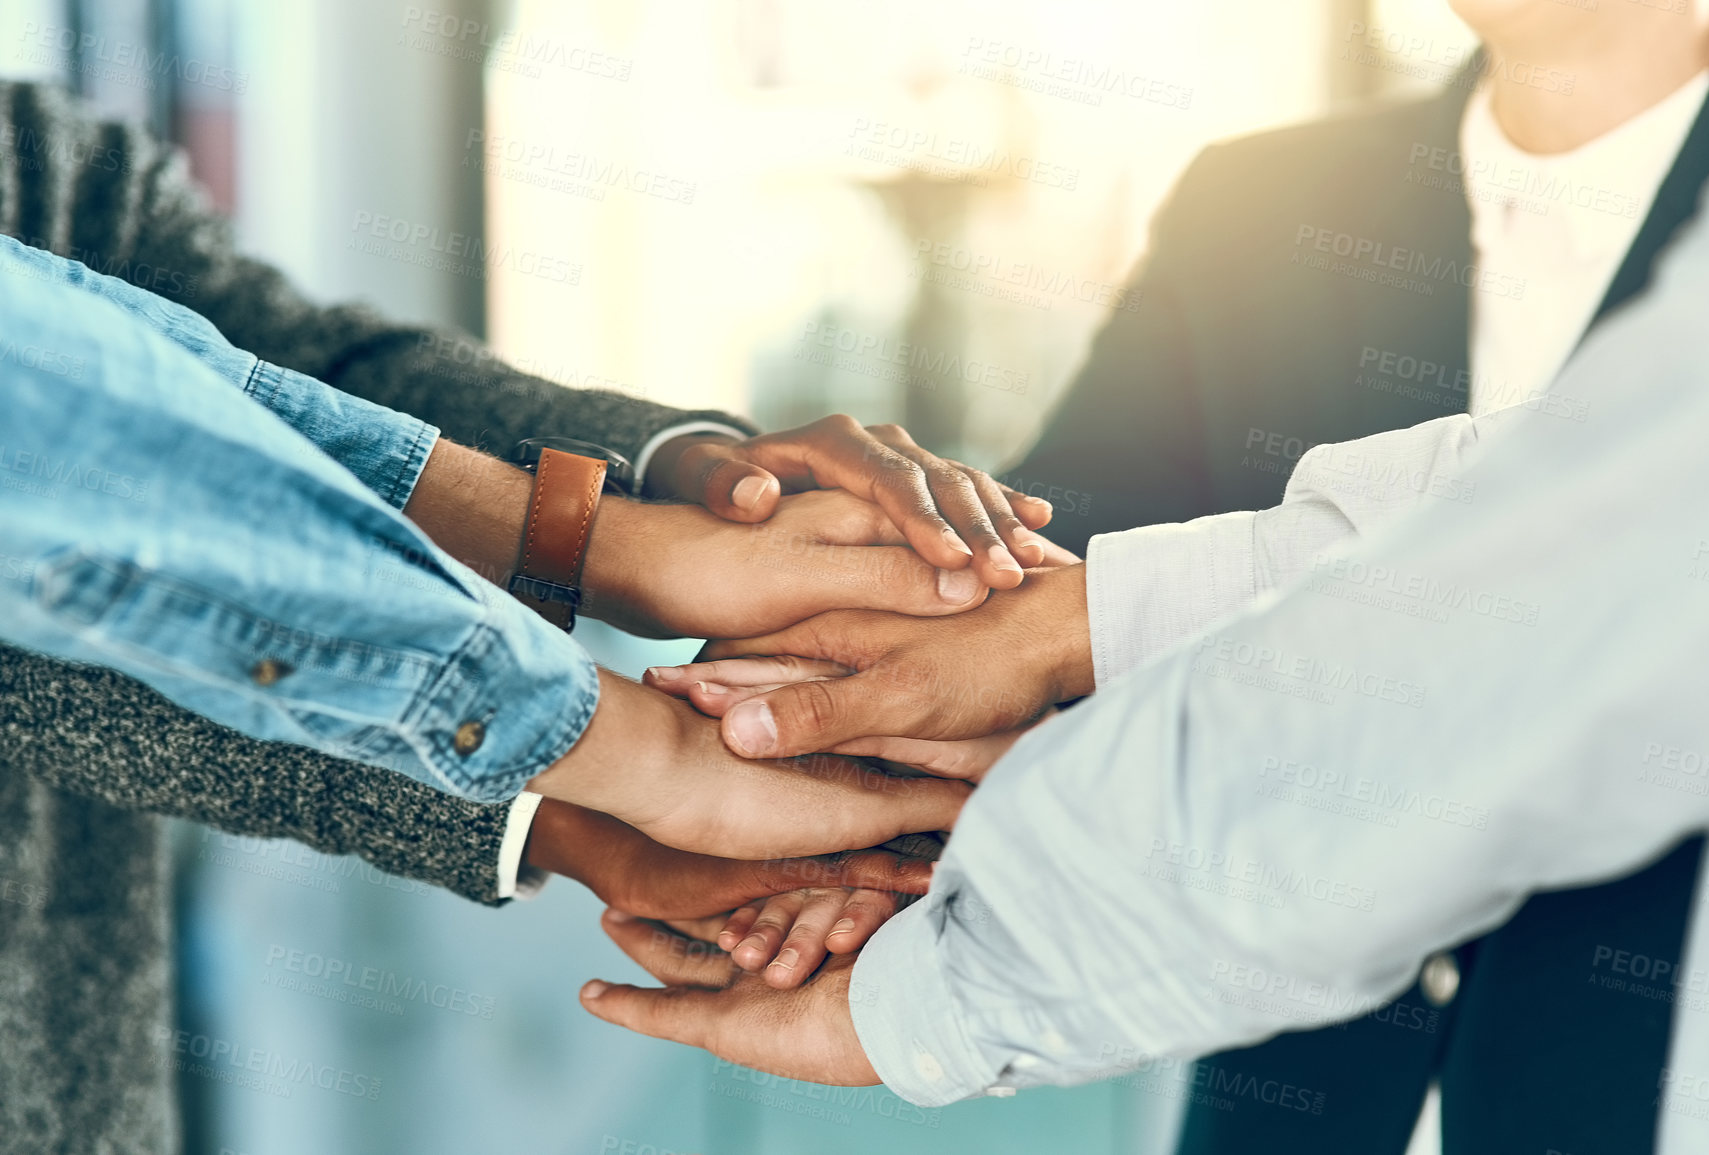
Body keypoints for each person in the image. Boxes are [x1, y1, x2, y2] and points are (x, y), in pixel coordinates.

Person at [582, 150, 1709, 1155]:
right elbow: (1566, 513)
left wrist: (948, 980)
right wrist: (1041, 635)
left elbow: (1513, 631)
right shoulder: (1268, 196)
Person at [0, 79, 1037, 1153]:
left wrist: (664, 487)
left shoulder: (36, 143)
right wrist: (618, 753)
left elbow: (269, 371)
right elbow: (79, 570)